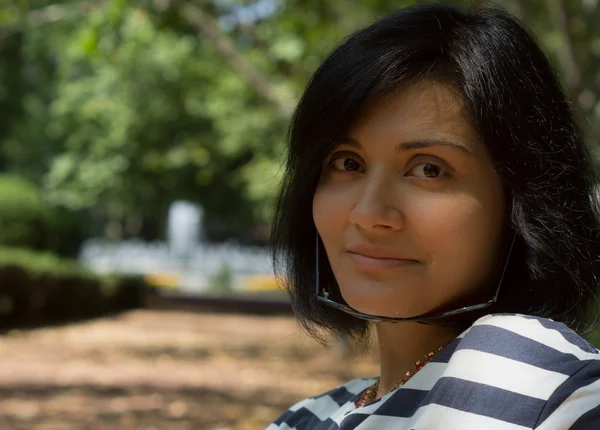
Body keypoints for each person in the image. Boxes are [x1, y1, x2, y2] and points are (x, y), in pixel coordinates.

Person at [268, 2, 600, 429]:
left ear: (521, 201)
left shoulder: (554, 392)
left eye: (429, 169)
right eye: (347, 163)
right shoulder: (304, 419)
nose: (369, 214)